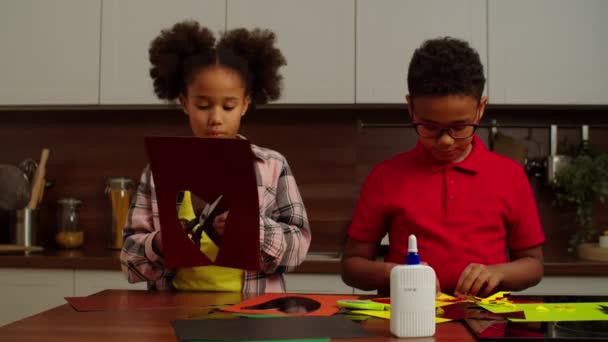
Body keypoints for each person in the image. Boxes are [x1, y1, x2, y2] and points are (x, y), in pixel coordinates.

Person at [341, 37, 545, 297]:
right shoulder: (385, 176)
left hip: (483, 327)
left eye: (459, 127)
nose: (446, 140)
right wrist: (396, 274)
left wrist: (498, 273)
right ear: (411, 108)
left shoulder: (510, 176)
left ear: (480, 109)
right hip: (404, 328)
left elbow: (533, 265)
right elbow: (351, 266)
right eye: (430, 127)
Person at [120, 21, 311, 294]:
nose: (216, 119)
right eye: (203, 105)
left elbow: (299, 248)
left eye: (229, 106)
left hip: (252, 317)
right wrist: (159, 244)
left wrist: (252, 230)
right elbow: (129, 260)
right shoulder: (158, 171)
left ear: (245, 104)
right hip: (172, 316)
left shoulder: (272, 166)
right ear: (184, 103)